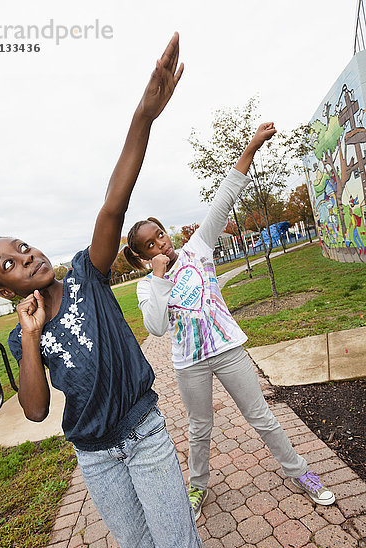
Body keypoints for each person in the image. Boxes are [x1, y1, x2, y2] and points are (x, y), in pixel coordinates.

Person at [0, 34, 213, 548]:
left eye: (22, 245)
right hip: (96, 457)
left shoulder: (86, 273)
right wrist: (29, 338)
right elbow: (32, 411)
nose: (26, 257)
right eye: (10, 263)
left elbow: (112, 203)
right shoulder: (21, 332)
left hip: (144, 433)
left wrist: (143, 116)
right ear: (3, 287)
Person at [123, 123, 336, 520]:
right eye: (151, 245)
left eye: (161, 235)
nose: (161, 244)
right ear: (140, 256)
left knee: (261, 416)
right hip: (189, 364)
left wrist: (252, 145)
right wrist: (157, 277)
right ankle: (197, 487)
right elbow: (156, 328)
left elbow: (226, 194)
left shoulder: (199, 247)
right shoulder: (147, 287)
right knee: (199, 428)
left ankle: (300, 472)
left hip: (227, 349)